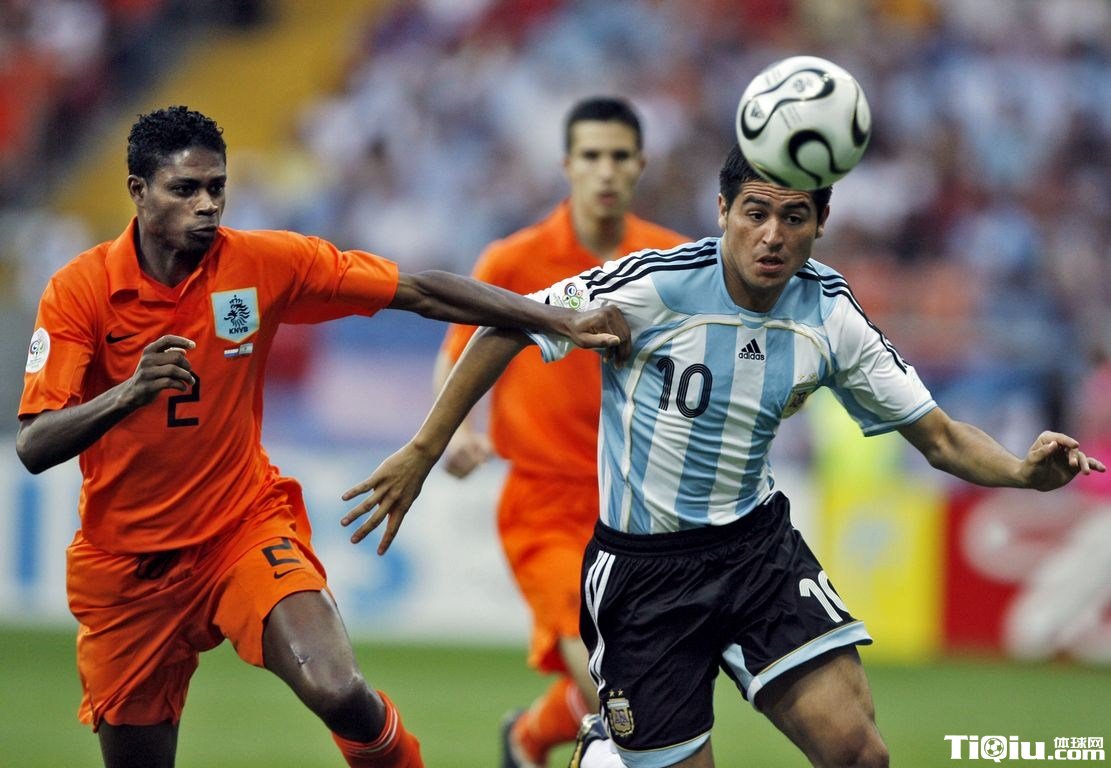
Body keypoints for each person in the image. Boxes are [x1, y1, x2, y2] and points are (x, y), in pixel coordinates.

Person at [341, 144, 1105, 768]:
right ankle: (604, 751)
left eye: (793, 217)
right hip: (643, 575)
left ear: (820, 223)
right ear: (721, 213)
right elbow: (507, 324)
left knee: (858, 753)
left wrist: (1021, 472)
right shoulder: (653, 285)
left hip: (755, 554)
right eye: (754, 212)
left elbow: (938, 436)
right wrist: (424, 448)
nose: (771, 235)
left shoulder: (828, 315)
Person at [14, 105, 630, 768]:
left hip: (238, 531)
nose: (207, 204)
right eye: (185, 189)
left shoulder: (261, 263)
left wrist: (553, 320)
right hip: (126, 570)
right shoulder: (80, 292)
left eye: (217, 187)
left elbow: (420, 292)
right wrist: (129, 392)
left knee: (337, 688)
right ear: (138, 191)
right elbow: (35, 443)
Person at [432, 96, 686, 767]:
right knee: (616, 683)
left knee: (646, 674)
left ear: (640, 165)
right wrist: (455, 433)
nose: (605, 170)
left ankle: (528, 737)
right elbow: (456, 354)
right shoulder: (515, 261)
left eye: (619, 156)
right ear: (567, 165)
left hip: (639, 504)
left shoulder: (673, 260)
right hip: (544, 501)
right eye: (591, 156)